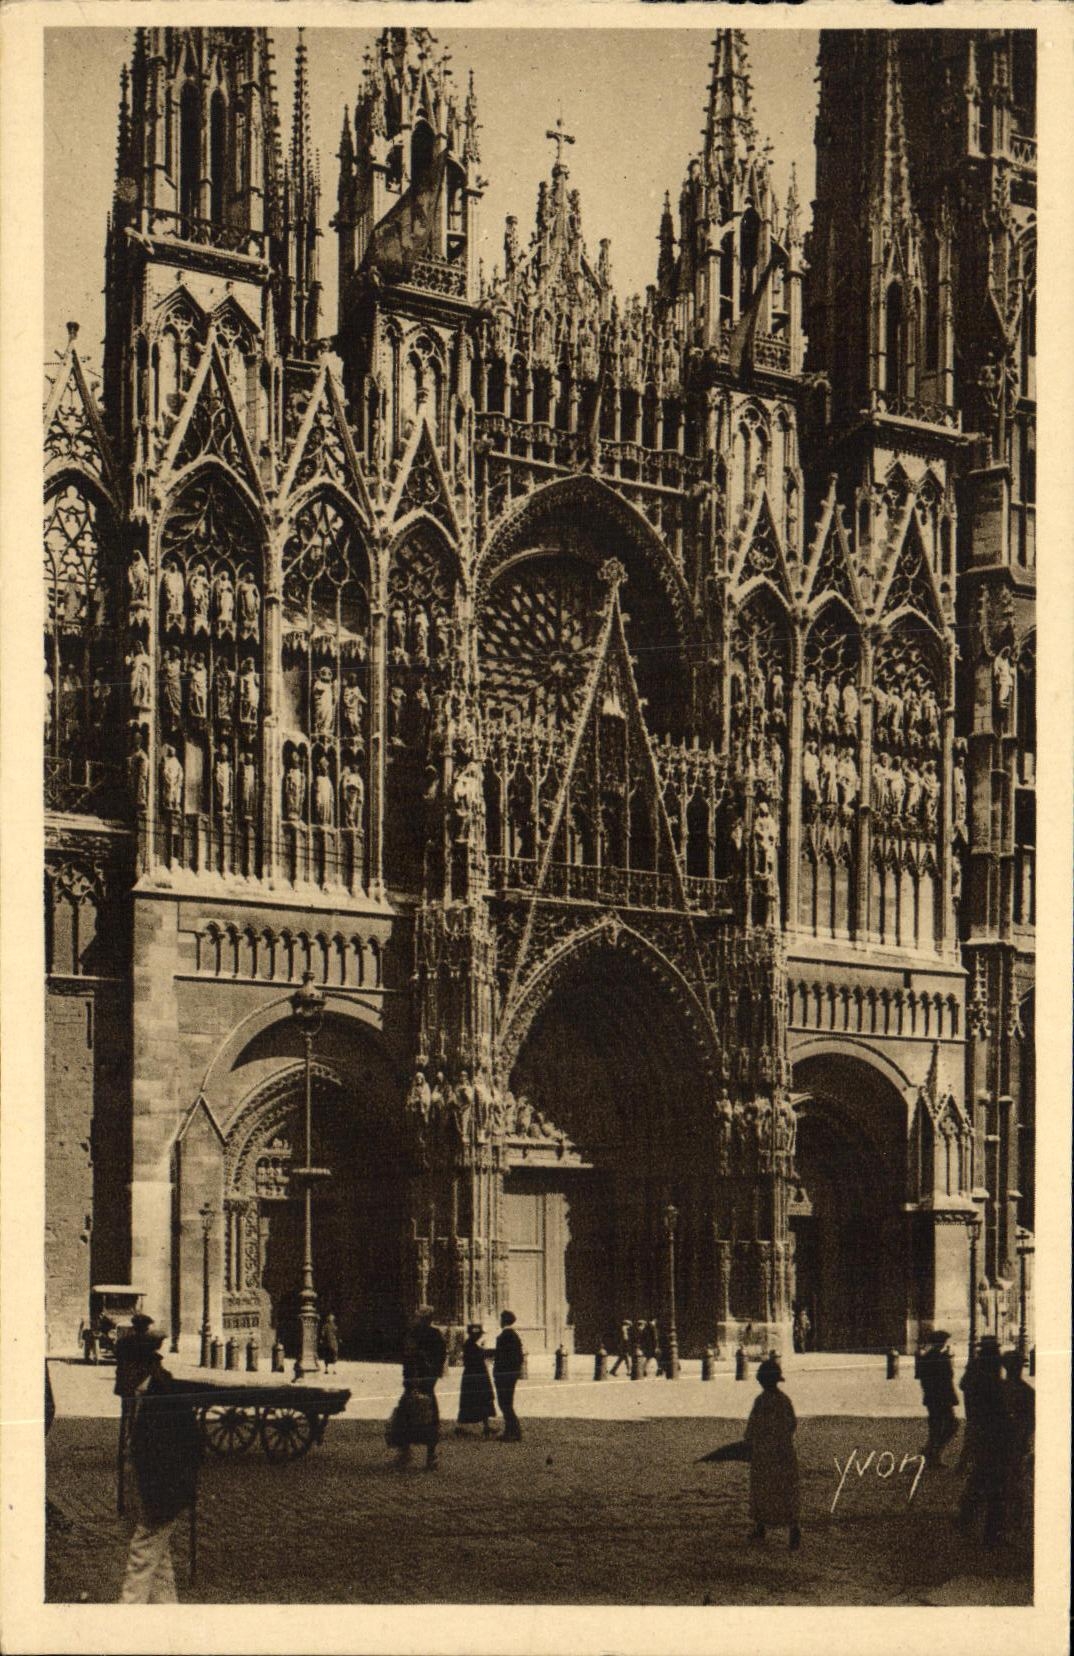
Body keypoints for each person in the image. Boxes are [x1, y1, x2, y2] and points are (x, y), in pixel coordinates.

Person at [115, 1319, 201, 1602]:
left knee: (141, 1558)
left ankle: (126, 1622)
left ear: (138, 1367)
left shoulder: (165, 1398)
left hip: (162, 1495)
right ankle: (168, 1615)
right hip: (151, 1493)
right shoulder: (145, 1393)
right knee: (159, 1564)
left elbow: (186, 1450)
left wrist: (162, 1498)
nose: (119, 1377)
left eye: (123, 1369)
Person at [957, 1336, 1012, 1549]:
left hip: (979, 1432)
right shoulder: (990, 1379)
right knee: (997, 1486)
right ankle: (992, 1534)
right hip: (993, 1437)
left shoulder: (974, 1374)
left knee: (979, 1479)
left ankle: (965, 1518)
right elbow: (999, 1411)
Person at [743, 1356, 801, 1549]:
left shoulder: (761, 1401)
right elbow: (792, 1423)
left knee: (762, 1489)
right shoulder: (784, 1400)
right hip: (784, 1452)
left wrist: (750, 1441)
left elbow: (752, 1426)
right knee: (785, 1490)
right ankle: (793, 1527)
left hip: (764, 1453)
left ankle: (760, 1526)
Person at [916, 1329, 959, 1467]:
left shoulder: (926, 1357)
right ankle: (932, 1452)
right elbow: (948, 1378)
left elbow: (922, 1378)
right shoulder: (942, 1359)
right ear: (941, 1343)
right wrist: (949, 1360)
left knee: (935, 1427)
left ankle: (931, 1453)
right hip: (943, 1398)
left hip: (931, 1398)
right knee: (952, 1425)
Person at [455, 1324, 497, 1439]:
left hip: (476, 1376)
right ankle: (461, 1426)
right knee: (474, 1400)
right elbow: (478, 1356)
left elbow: (482, 1353)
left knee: (482, 1400)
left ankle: (486, 1426)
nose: (479, 1336)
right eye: (478, 1334)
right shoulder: (469, 1345)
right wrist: (490, 1352)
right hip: (475, 1377)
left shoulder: (471, 1344)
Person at [493, 1311, 524, 1442]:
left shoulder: (505, 1336)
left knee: (504, 1403)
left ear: (504, 1321)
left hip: (504, 1375)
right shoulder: (514, 1336)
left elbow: (501, 1355)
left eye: (501, 1319)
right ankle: (510, 1430)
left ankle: (514, 1432)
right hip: (511, 1374)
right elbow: (519, 1357)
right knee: (507, 1403)